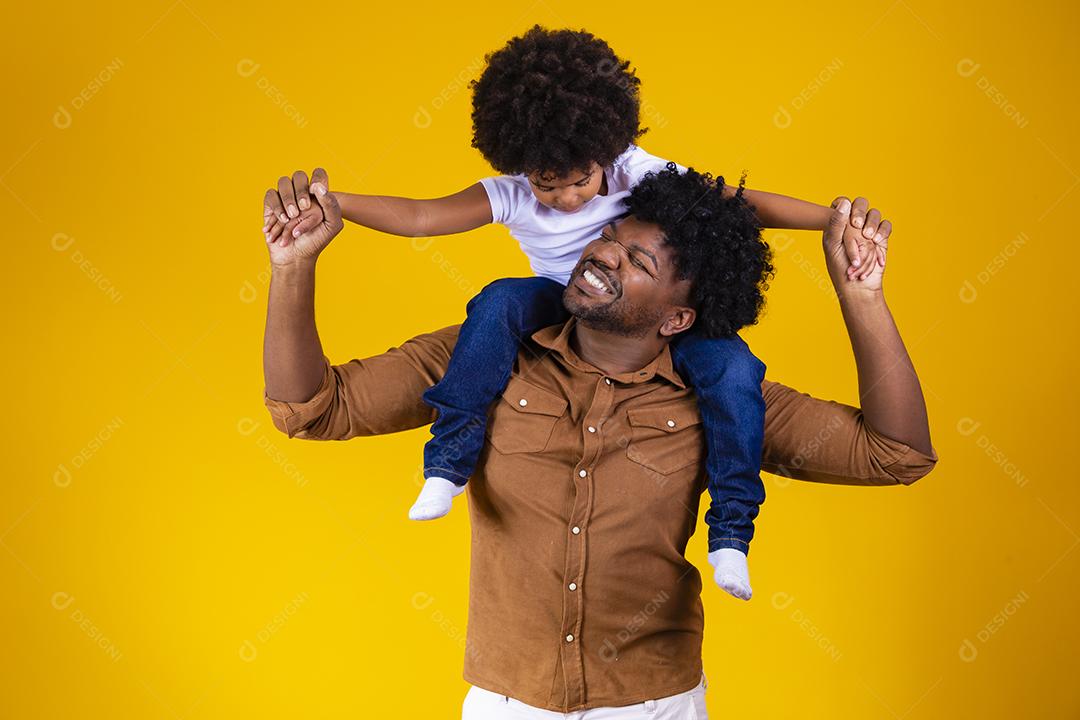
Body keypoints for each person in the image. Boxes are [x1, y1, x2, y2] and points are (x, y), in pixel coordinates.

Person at [260, 167, 936, 717]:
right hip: (507, 703)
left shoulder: (726, 398)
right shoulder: (486, 353)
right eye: (611, 235)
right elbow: (311, 410)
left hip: (652, 704)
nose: (604, 252)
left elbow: (895, 454)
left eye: (638, 259)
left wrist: (862, 297)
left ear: (678, 316)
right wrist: (293, 267)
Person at [261, 26, 891, 599]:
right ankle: (448, 461)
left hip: (659, 689)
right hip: (553, 303)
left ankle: (730, 533)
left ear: (608, 150)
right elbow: (424, 218)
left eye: (581, 182)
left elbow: (737, 201)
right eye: (546, 183)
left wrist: (830, 221)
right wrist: (333, 203)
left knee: (732, 368)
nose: (564, 200)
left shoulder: (637, 174)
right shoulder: (512, 203)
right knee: (502, 298)